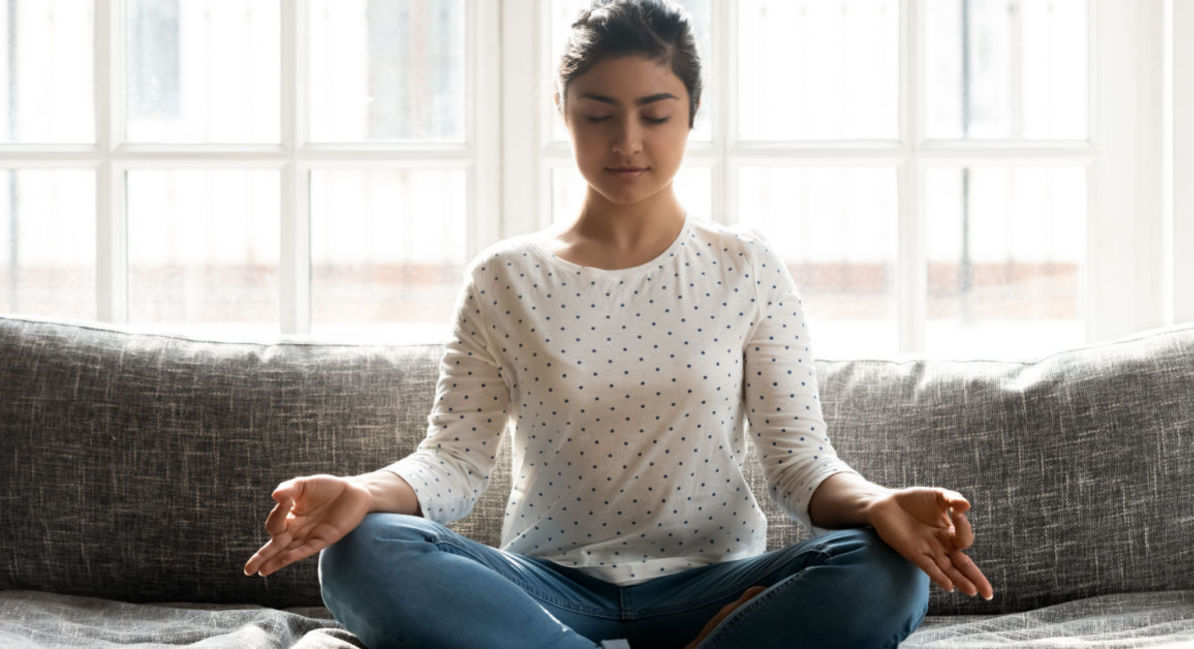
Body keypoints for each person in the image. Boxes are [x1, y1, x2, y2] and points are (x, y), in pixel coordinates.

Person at [243, 1, 994, 647]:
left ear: (691, 114)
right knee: (360, 551)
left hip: (717, 587)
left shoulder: (746, 266)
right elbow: (453, 464)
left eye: (655, 114)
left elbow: (800, 463)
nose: (627, 141)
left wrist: (878, 503)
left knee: (886, 569)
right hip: (546, 585)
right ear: (565, 112)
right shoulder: (506, 277)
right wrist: (365, 491)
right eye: (599, 114)